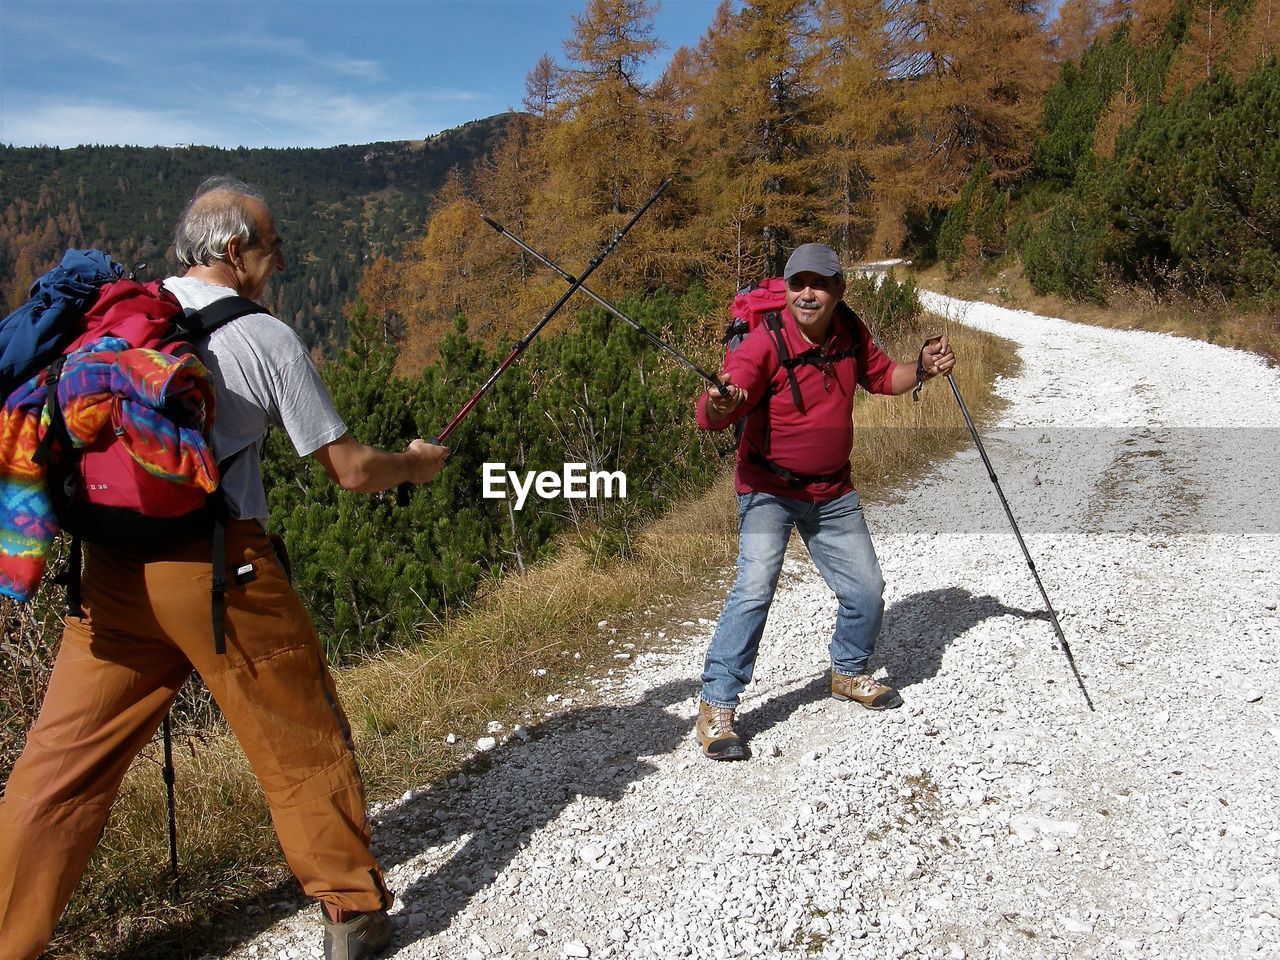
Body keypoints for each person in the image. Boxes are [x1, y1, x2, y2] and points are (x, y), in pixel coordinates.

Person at [0, 176, 447, 960]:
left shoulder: (118, 316)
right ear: (235, 250)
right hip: (218, 571)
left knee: (60, 766)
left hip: (108, 570)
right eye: (274, 247)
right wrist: (413, 465)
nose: (280, 261)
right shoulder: (266, 339)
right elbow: (349, 471)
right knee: (298, 735)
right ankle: (352, 913)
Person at [693, 243, 955, 761]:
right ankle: (716, 706)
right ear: (787, 289)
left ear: (838, 290)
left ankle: (849, 671)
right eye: (797, 284)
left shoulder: (850, 332)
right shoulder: (763, 343)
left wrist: (921, 369)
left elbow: (883, 378)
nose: (807, 293)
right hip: (768, 488)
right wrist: (722, 401)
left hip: (832, 489)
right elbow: (715, 411)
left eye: (819, 283)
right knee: (755, 587)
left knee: (867, 589)